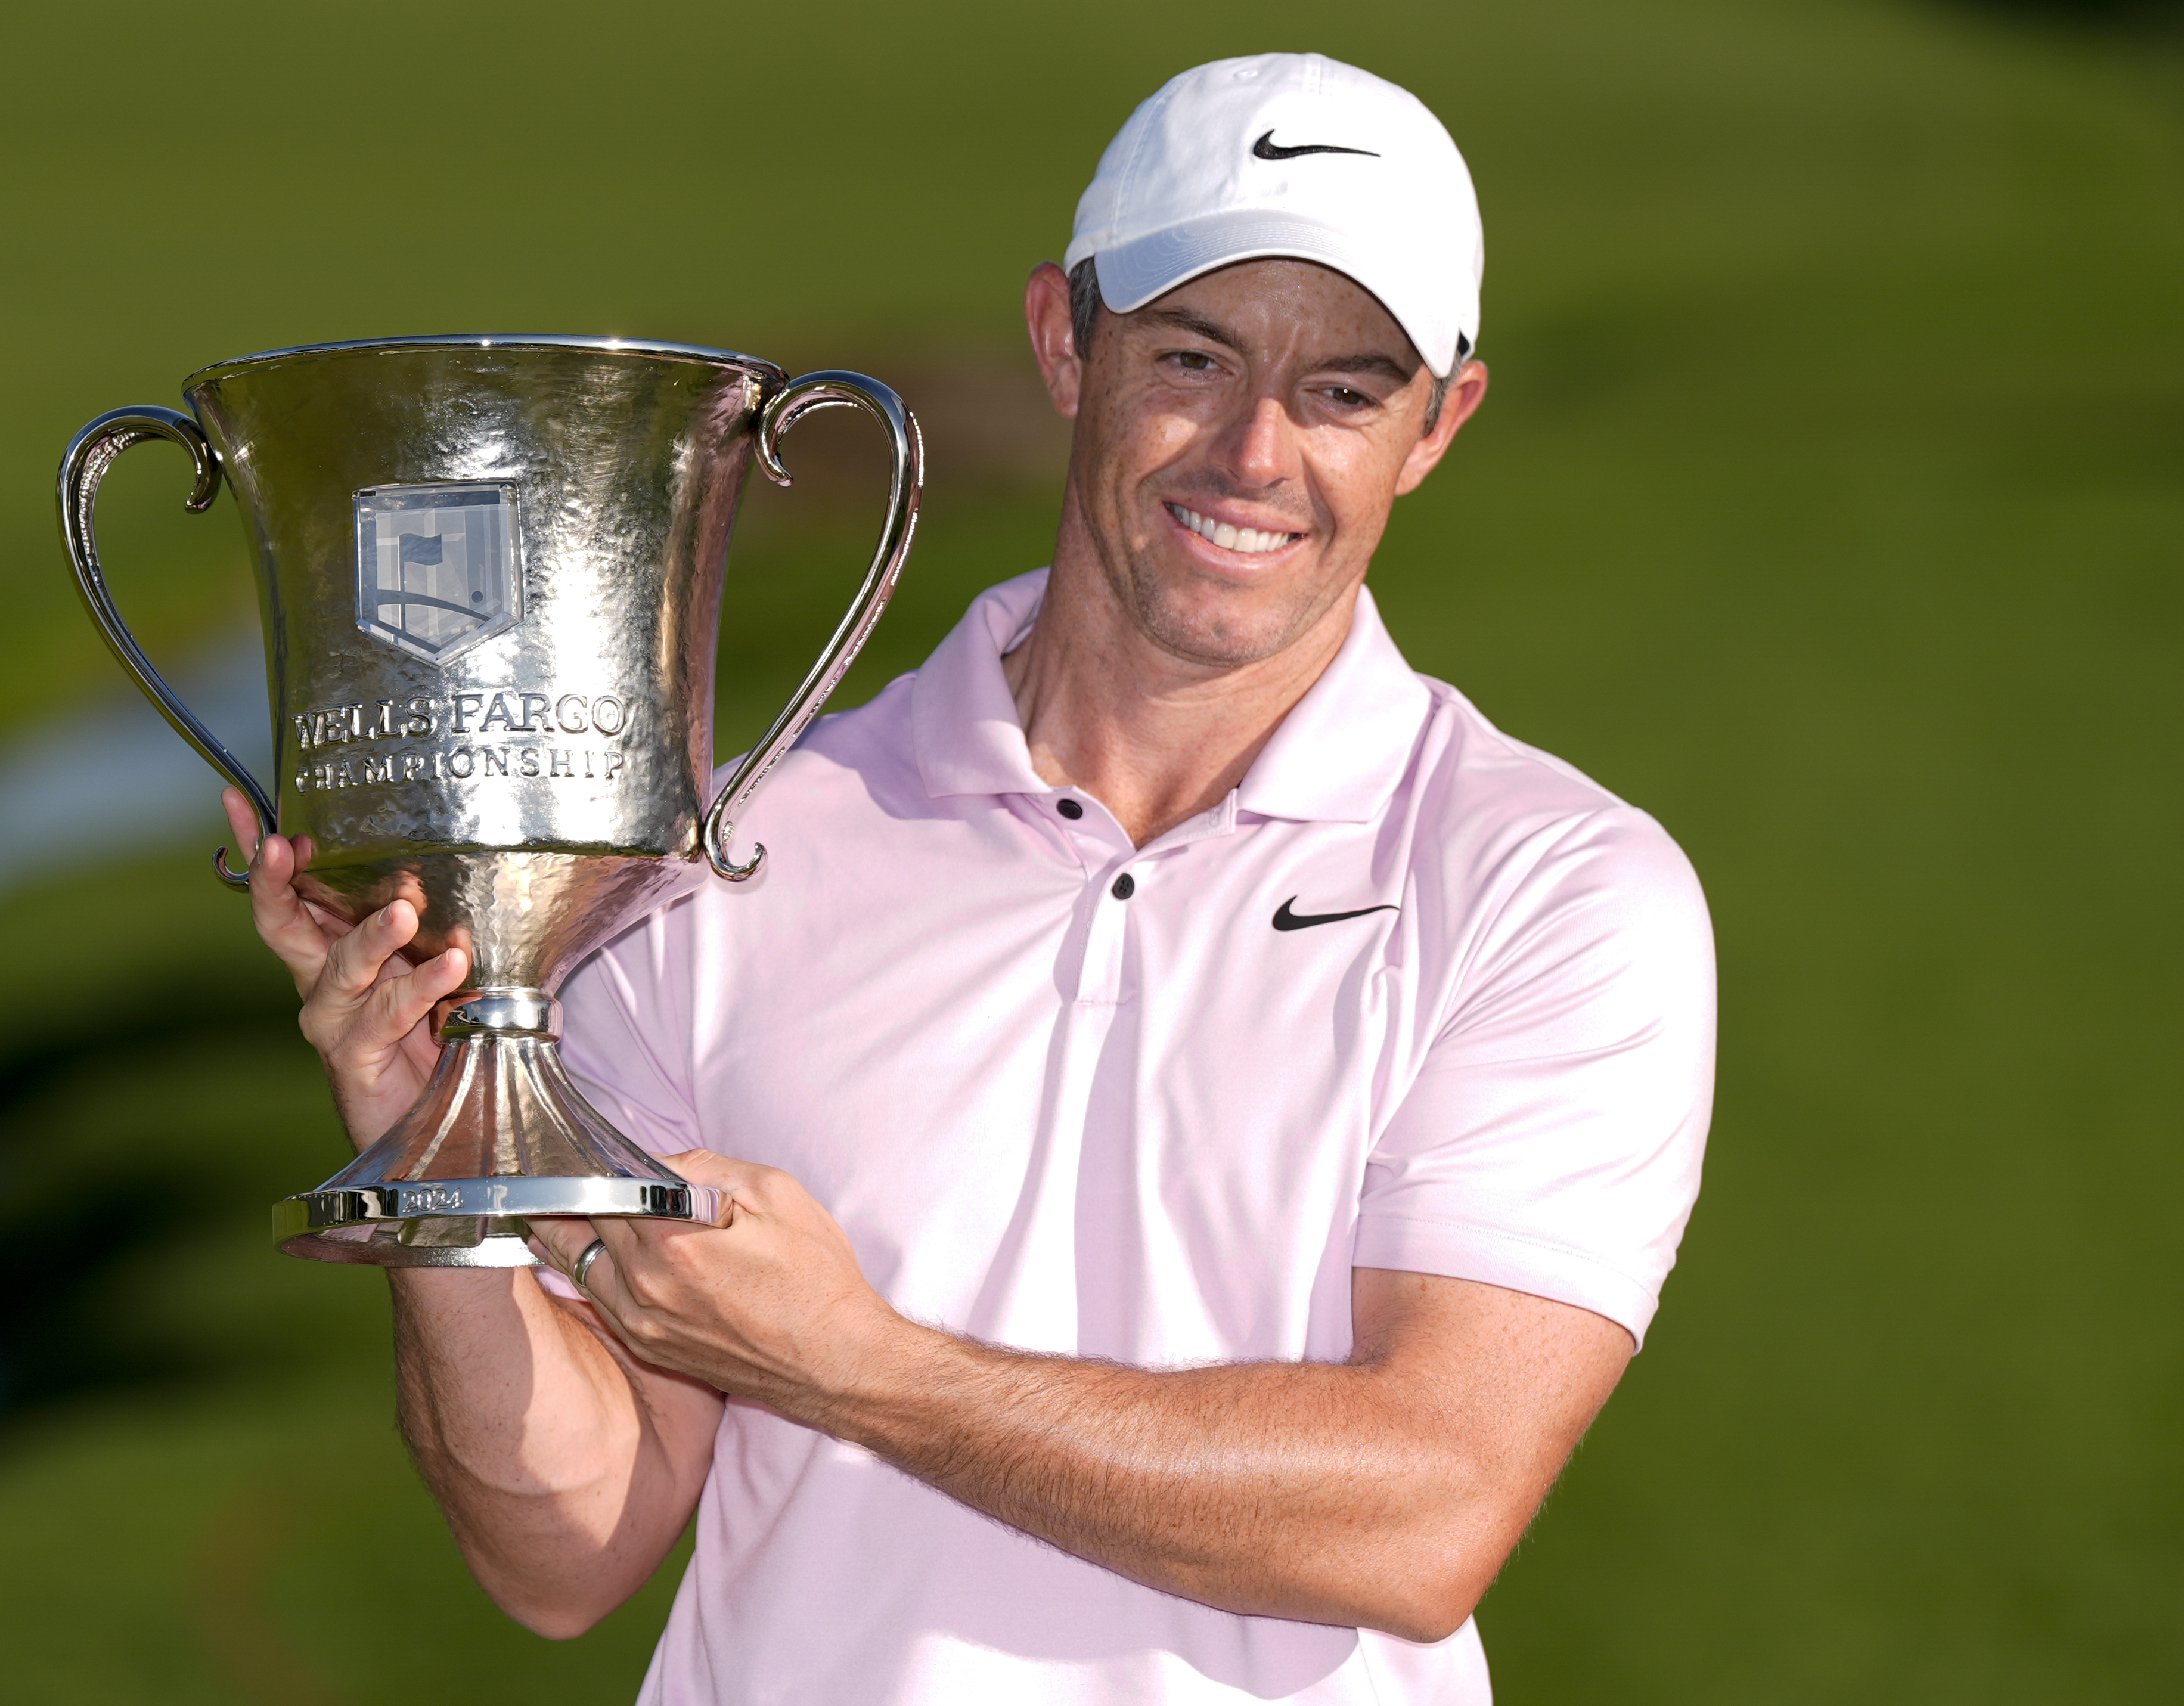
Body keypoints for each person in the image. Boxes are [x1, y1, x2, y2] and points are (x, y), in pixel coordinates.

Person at [226, 52, 1714, 1706]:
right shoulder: (717, 858)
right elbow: (565, 1552)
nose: (1253, 452)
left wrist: (859, 1370)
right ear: (1063, 345)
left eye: (1347, 391)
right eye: (1194, 357)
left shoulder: (1552, 891)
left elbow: (1425, 1514)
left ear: (1441, 426)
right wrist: (432, 1136)